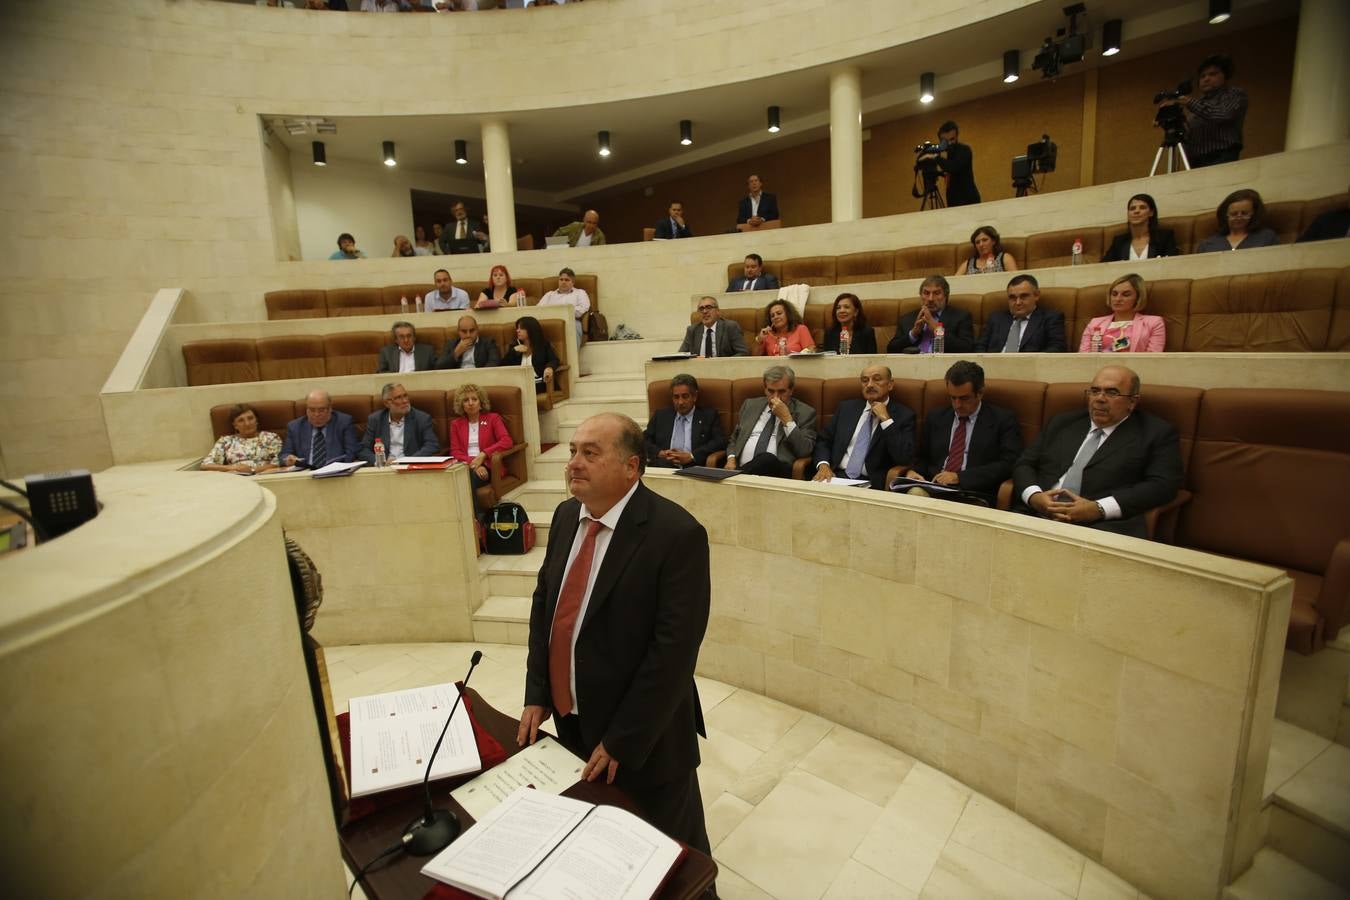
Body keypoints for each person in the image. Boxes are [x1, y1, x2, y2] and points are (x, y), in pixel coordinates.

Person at [518, 413, 712, 858]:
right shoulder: (567, 516)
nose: (574, 464)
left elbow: (673, 656)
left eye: (590, 453)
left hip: (645, 741)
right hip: (572, 724)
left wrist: (622, 738)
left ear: (631, 467)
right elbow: (545, 608)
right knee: (597, 850)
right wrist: (538, 690)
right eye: (571, 452)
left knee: (675, 861)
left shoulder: (677, 535)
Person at [1013, 365, 1184, 539]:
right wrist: (1034, 497)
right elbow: (1024, 463)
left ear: (1132, 402)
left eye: (1111, 392)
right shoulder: (1062, 422)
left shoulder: (1156, 433)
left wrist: (1099, 508)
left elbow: (1163, 485)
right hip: (1036, 515)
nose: (1099, 399)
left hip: (1101, 527)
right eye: (1095, 391)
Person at [906, 360, 1021, 507]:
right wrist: (914, 472)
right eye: (953, 398)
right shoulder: (936, 417)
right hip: (935, 487)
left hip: (974, 493)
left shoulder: (1003, 419)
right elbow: (922, 457)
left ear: (980, 393)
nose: (957, 405)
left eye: (964, 398)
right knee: (914, 495)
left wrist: (960, 477)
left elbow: (1009, 464)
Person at [810, 364, 914, 490]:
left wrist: (886, 420)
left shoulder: (904, 415)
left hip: (871, 483)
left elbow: (903, 457)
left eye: (877, 379)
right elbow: (824, 440)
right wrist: (823, 465)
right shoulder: (846, 408)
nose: (869, 385)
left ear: (890, 384)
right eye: (865, 380)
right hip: (834, 477)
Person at [724, 365, 817, 478]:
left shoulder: (805, 412)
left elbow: (804, 450)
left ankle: (734, 478)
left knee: (766, 459)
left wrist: (787, 419)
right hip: (741, 467)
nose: (775, 397)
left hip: (778, 472)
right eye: (771, 391)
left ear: (791, 390)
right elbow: (734, 439)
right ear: (765, 389)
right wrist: (731, 458)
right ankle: (738, 477)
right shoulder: (750, 405)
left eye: (781, 391)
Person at [449, 383, 513, 509]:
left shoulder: (493, 419)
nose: (471, 403)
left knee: (467, 478)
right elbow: (455, 452)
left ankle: (475, 519)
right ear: (461, 404)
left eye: (474, 399)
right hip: (466, 465)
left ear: (481, 402)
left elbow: (507, 441)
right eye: (466, 400)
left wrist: (484, 454)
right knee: (464, 476)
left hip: (488, 465)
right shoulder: (456, 424)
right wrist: (473, 464)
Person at [642, 374, 726, 469]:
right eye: (676, 397)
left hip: (693, 467)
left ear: (694, 396)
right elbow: (644, 439)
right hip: (664, 466)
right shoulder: (661, 415)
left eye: (685, 396)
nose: (680, 402)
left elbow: (719, 442)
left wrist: (691, 456)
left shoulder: (708, 416)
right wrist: (660, 453)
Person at [1178, 55, 1248, 168]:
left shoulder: (1233, 93)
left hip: (1222, 157)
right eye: (1202, 76)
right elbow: (1187, 134)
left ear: (1225, 76)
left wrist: (1189, 102)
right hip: (1195, 161)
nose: (1206, 79)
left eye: (1213, 74)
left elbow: (1223, 114)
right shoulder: (1198, 105)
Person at [976, 274, 1067, 353]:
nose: (1018, 302)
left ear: (1036, 295)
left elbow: (1057, 348)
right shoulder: (995, 318)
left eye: (1023, 296)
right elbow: (980, 347)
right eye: (1012, 298)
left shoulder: (1051, 318)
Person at [1078, 274, 1166, 354]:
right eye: (1114, 294)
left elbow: (1153, 358)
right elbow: (1084, 355)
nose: (1118, 299)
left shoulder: (1154, 323)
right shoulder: (1095, 323)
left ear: (1138, 297)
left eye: (1126, 294)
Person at [887, 275, 975, 354]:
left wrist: (937, 330)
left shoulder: (961, 317)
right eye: (926, 293)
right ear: (921, 295)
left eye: (937, 293)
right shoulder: (907, 319)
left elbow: (967, 348)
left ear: (946, 296)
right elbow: (891, 349)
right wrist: (913, 334)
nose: (930, 299)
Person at [358, 383, 440, 465]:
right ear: (387, 403)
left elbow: (432, 445)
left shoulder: (421, 418)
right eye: (398, 398)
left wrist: (408, 461)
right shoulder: (376, 419)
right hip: (385, 467)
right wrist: (380, 461)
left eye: (405, 396)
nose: (405, 401)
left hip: (409, 467)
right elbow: (363, 449)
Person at [280, 390, 358, 468]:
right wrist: (288, 459)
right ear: (307, 410)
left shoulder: (344, 422)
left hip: (335, 473)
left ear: (330, 408)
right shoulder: (295, 427)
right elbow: (284, 455)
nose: (316, 414)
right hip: (305, 473)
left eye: (321, 410)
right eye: (312, 410)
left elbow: (351, 453)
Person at [200, 403, 282, 474]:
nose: (247, 423)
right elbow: (205, 465)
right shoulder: (226, 441)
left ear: (256, 421)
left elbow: (278, 462)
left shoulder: (271, 437)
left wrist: (253, 471)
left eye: (250, 418)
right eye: (241, 420)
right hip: (237, 479)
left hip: (266, 477)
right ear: (235, 425)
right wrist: (232, 468)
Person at [1194, 188, 1279, 252]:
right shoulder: (1207, 244)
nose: (1239, 217)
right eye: (1234, 214)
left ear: (1254, 214)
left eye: (1244, 213)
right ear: (1225, 215)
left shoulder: (1267, 237)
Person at [1101, 194, 1180, 262]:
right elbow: (1104, 266)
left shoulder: (1164, 237)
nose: (1136, 211)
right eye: (1132, 209)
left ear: (1151, 212)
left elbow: (1173, 263)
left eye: (1142, 207)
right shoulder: (1119, 241)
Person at [503, 315, 560, 394]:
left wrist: (549, 368)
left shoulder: (543, 345)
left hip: (539, 384)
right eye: (517, 328)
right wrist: (513, 351)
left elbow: (554, 360)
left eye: (521, 328)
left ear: (531, 330)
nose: (518, 331)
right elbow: (503, 366)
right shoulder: (514, 347)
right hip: (520, 386)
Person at [677, 296, 750, 358]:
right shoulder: (692, 330)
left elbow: (743, 352)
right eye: (701, 309)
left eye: (708, 307)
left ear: (718, 311)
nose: (705, 311)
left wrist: (724, 364)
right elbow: (681, 355)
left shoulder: (730, 327)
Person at [537, 267, 591, 345]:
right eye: (561, 279)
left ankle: (573, 357)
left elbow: (583, 309)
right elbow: (539, 310)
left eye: (567, 280)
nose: (563, 282)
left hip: (572, 321)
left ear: (573, 282)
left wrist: (562, 312)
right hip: (551, 322)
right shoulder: (550, 295)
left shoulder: (580, 293)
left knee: (575, 326)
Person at [934, 121, 980, 207]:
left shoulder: (964, 150)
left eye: (952, 139)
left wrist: (935, 157)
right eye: (945, 141)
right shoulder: (946, 154)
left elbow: (953, 167)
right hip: (953, 202)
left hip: (969, 202)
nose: (950, 143)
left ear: (957, 136)